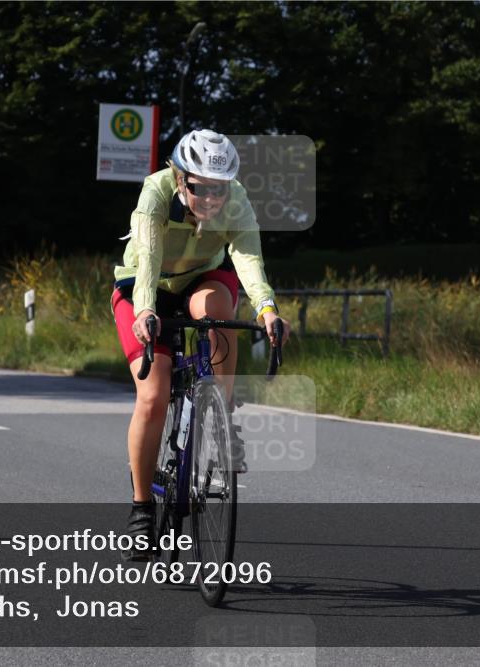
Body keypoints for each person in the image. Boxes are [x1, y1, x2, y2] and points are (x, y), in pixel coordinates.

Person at [111, 129, 291, 560]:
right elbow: (150, 258)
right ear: (179, 178)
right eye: (199, 189)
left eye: (219, 189)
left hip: (200, 281)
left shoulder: (238, 200)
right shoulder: (155, 192)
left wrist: (267, 310)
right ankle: (140, 508)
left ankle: (219, 418)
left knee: (219, 311)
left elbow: (247, 257)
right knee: (153, 397)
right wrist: (144, 313)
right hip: (143, 286)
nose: (211, 199)